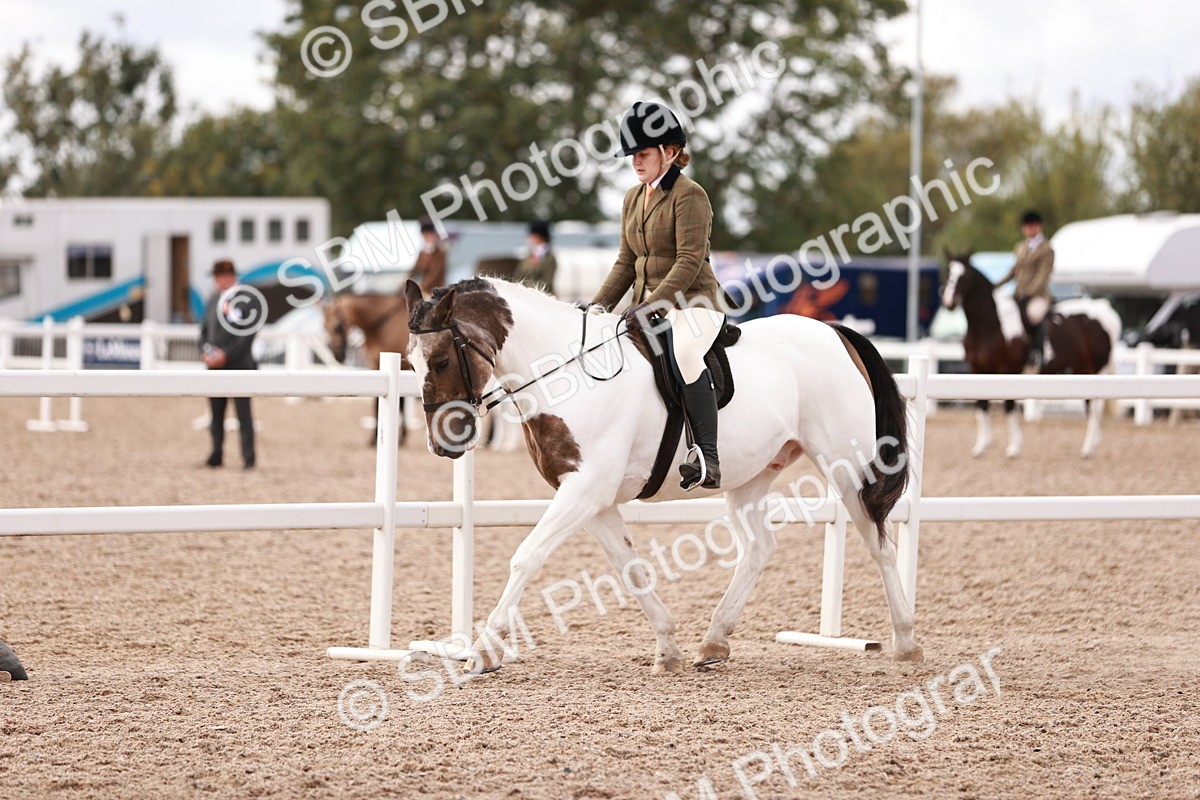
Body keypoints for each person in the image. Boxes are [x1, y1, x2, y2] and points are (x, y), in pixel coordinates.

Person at [591, 101, 726, 491]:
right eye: (632, 154)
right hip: (647, 306)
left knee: (684, 354)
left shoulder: (690, 195)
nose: (635, 161)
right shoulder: (634, 198)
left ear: (669, 151)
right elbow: (624, 262)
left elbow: (688, 261)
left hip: (694, 303)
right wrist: (594, 308)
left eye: (643, 153)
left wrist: (652, 304)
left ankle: (707, 456)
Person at [200, 259, 262, 469]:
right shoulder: (213, 300)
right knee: (216, 413)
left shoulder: (247, 299)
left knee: (243, 414)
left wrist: (226, 355)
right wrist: (206, 352)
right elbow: (204, 331)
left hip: (240, 365)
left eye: (223, 276)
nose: (220, 280)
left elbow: (247, 335)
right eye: (218, 277)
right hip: (214, 366)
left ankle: (248, 457)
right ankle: (216, 452)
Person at [997, 210, 1055, 364]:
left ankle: (1040, 352)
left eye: (1032, 226)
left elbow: (1042, 276)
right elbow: (1013, 271)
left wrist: (1029, 293)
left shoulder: (1047, 250)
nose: (1029, 229)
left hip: (1038, 296)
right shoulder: (1020, 247)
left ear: (1039, 227)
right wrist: (996, 285)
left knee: (1034, 315)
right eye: (1027, 226)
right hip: (1019, 294)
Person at [513, 220, 558, 291]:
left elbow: (546, 283)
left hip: (542, 297)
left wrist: (526, 288)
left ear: (539, 236)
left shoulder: (550, 258)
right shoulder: (528, 255)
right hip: (523, 295)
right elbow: (517, 277)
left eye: (532, 235)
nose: (530, 238)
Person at [409, 218, 447, 296]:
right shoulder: (423, 252)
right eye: (424, 236)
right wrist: (406, 281)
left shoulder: (440, 252)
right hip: (424, 289)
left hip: (436, 291)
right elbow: (415, 269)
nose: (426, 238)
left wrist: (422, 286)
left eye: (428, 235)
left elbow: (436, 273)